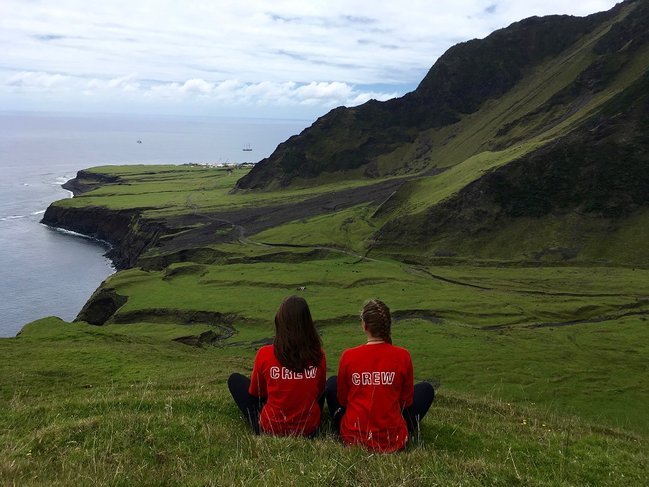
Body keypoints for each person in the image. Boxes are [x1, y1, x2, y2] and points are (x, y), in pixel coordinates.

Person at [325, 299, 434, 452]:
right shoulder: (403, 356)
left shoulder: (348, 356)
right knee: (426, 390)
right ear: (388, 326)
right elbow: (406, 402)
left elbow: (343, 400)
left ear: (365, 326)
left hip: (353, 437)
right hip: (392, 440)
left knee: (331, 383)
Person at [228, 295, 326, 436]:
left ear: (280, 321)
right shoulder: (318, 354)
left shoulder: (265, 353)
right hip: (309, 429)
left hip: (272, 428)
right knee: (327, 386)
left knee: (235, 380)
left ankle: (260, 422)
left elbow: (256, 392)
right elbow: (319, 390)